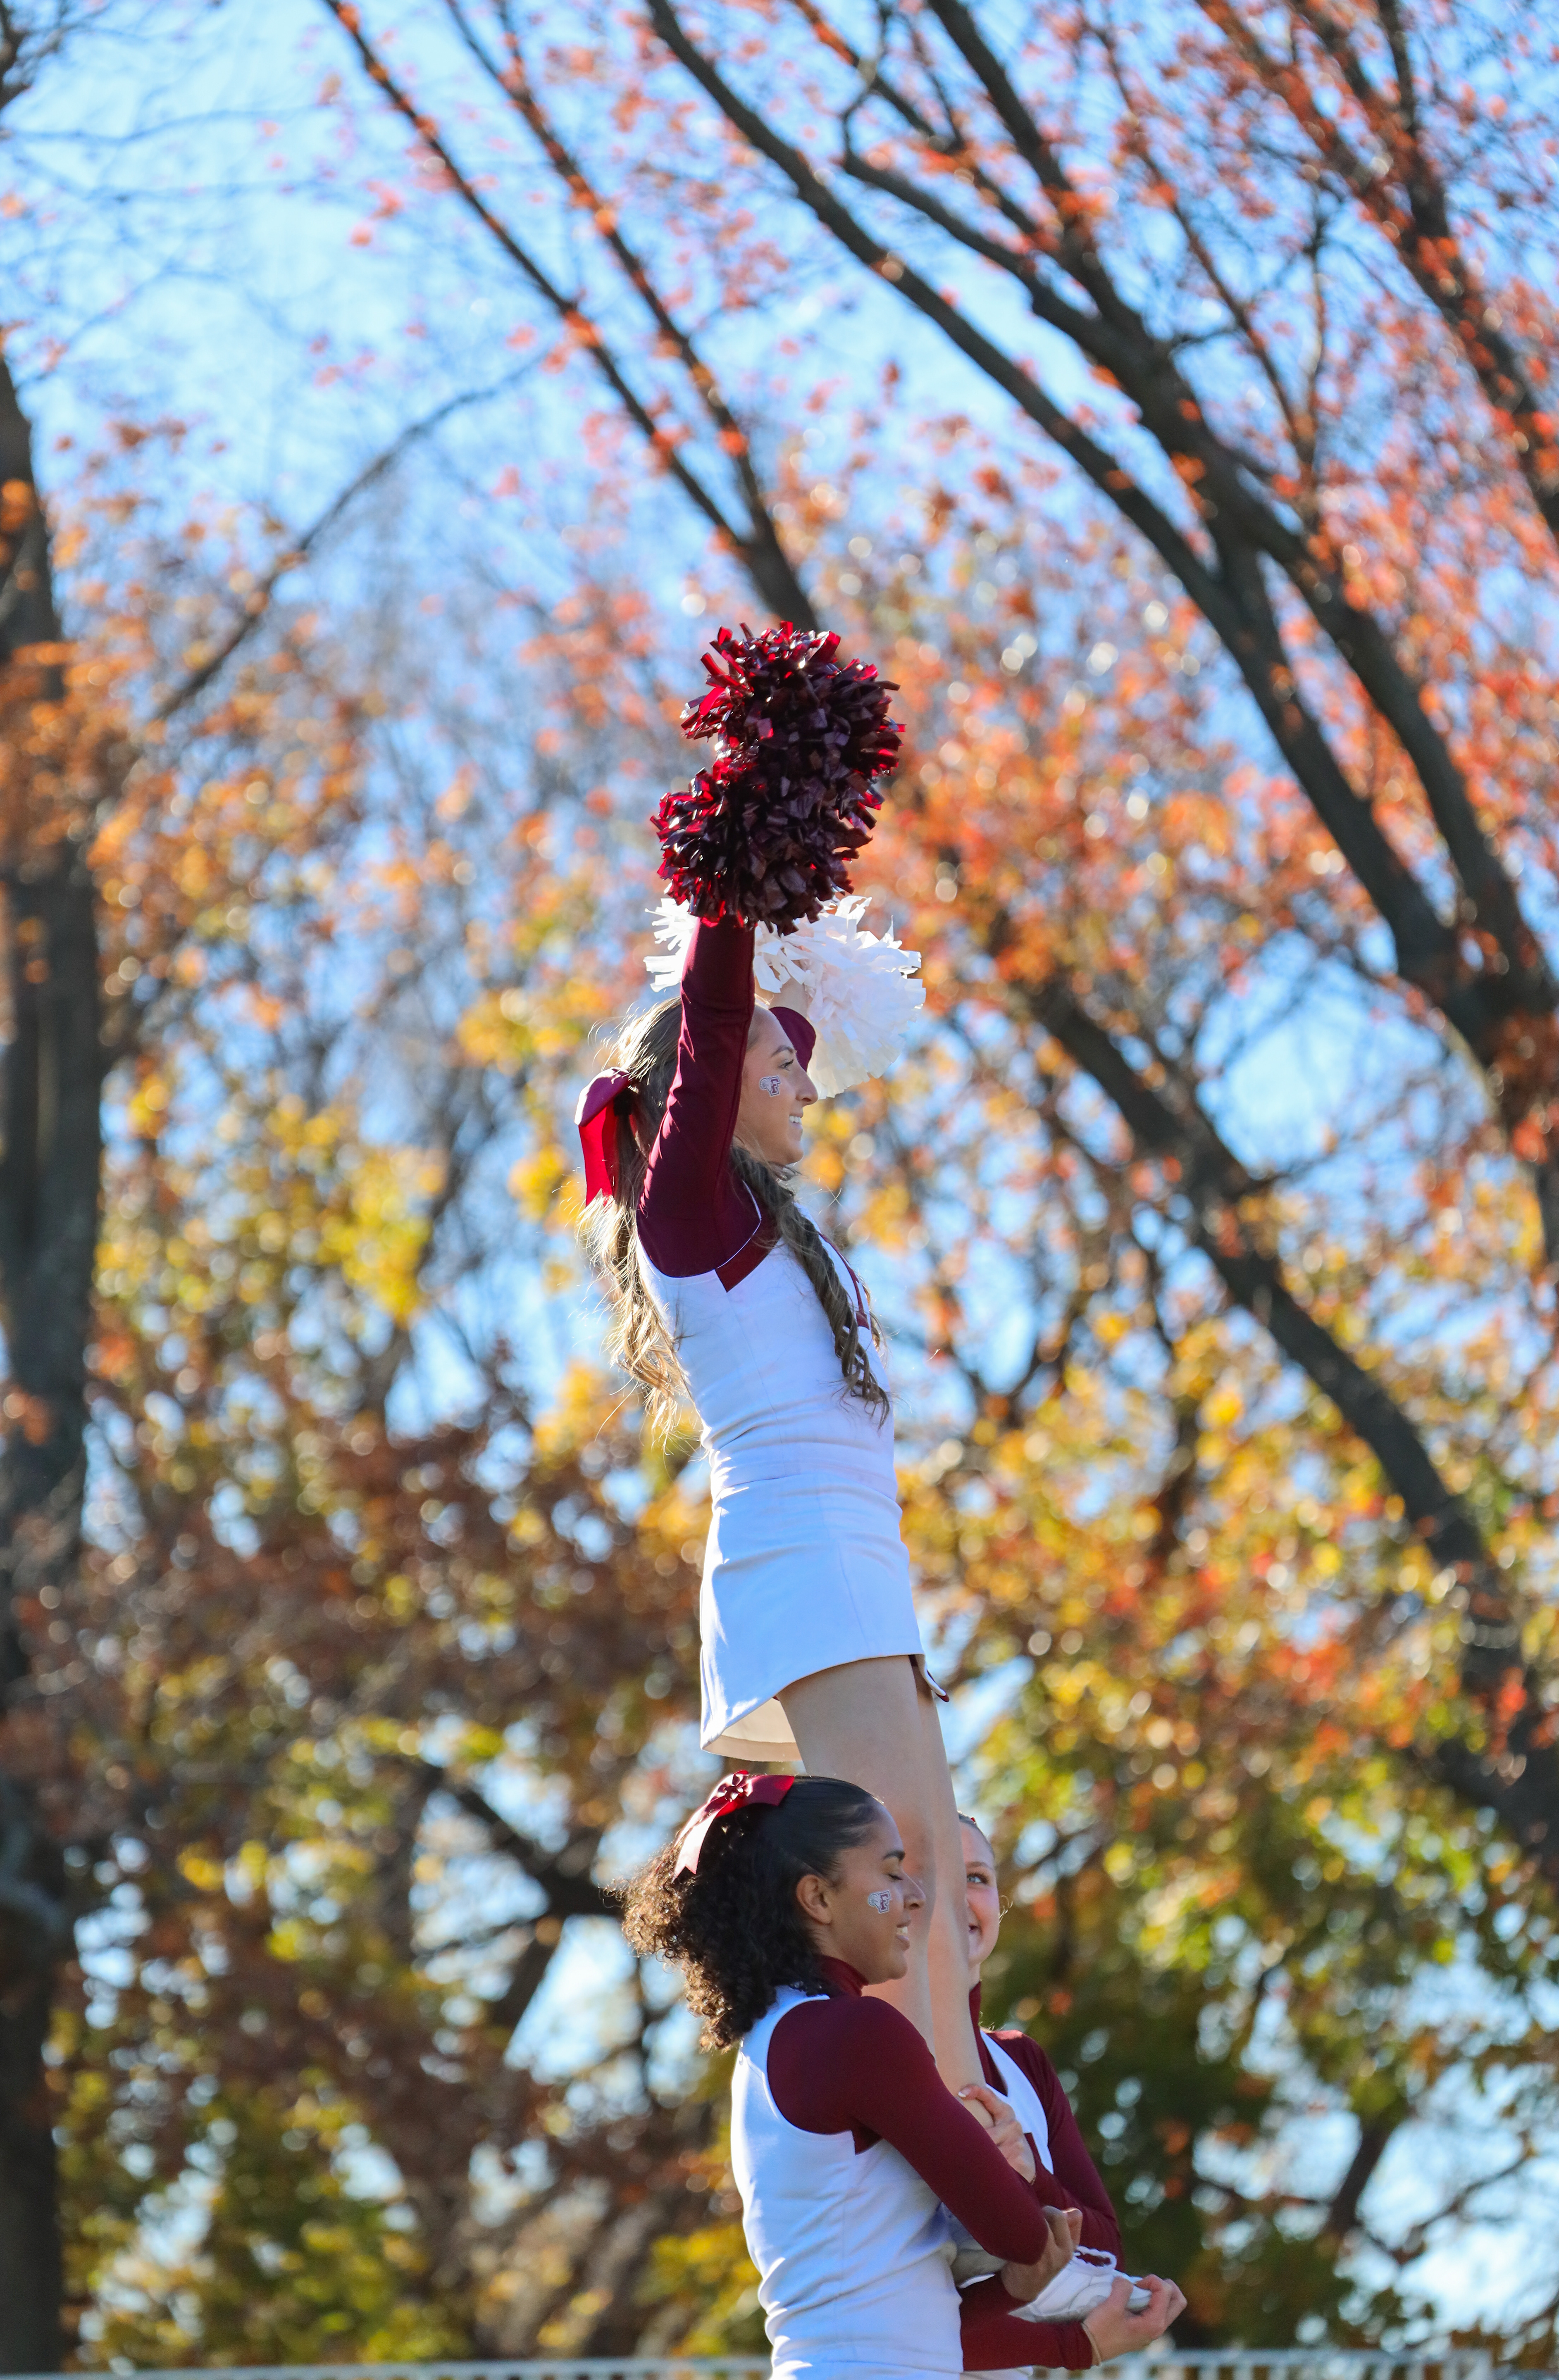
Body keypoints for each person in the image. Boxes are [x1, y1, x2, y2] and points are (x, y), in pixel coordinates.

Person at [577, 909, 986, 2097]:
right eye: (777, 1067)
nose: (805, 1082)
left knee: (937, 1892)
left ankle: (981, 2143)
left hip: (861, 1569)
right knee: (896, 1882)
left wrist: (793, 935)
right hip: (803, 1570)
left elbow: (757, 1025)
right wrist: (728, 893)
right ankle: (956, 2171)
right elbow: (711, 1024)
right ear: (700, 1094)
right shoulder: (688, 1213)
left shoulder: (762, 1215)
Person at [621, 1771, 1075, 2379]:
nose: (916, 1895)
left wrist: (1017, 2286)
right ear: (818, 1898)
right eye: (891, 1872)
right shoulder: (859, 2035)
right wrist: (1019, 2181)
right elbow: (1020, 2235)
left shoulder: (772, 2036)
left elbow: (891, 2323)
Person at [955, 1814, 1187, 2373]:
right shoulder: (877, 2054)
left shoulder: (1022, 2061)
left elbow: (1105, 2250)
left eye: (979, 1878)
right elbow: (895, 2314)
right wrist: (1077, 2345)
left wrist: (1032, 2173)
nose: (961, 1897)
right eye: (935, 1872)